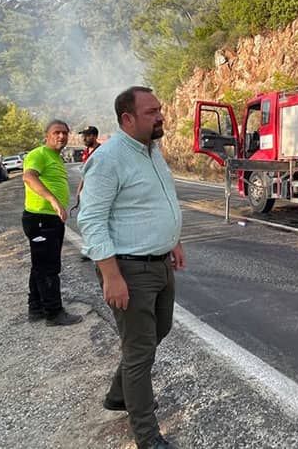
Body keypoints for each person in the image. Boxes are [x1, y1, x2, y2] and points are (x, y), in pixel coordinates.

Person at [78, 86, 184, 449]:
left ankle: (118, 394)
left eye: (160, 109)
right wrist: (111, 275)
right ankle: (147, 436)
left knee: (161, 329)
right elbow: (91, 220)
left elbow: (158, 199)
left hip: (159, 262)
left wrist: (174, 239)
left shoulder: (152, 150)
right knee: (140, 352)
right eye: (152, 111)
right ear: (127, 118)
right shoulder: (109, 159)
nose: (160, 116)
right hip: (129, 269)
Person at [22, 120, 83, 326]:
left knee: (40, 265)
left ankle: (36, 308)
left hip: (50, 219)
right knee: (49, 267)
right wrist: (53, 200)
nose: (62, 137)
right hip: (41, 217)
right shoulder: (38, 154)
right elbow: (29, 177)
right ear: (46, 135)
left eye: (65, 133)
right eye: (57, 132)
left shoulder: (56, 158)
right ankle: (54, 313)